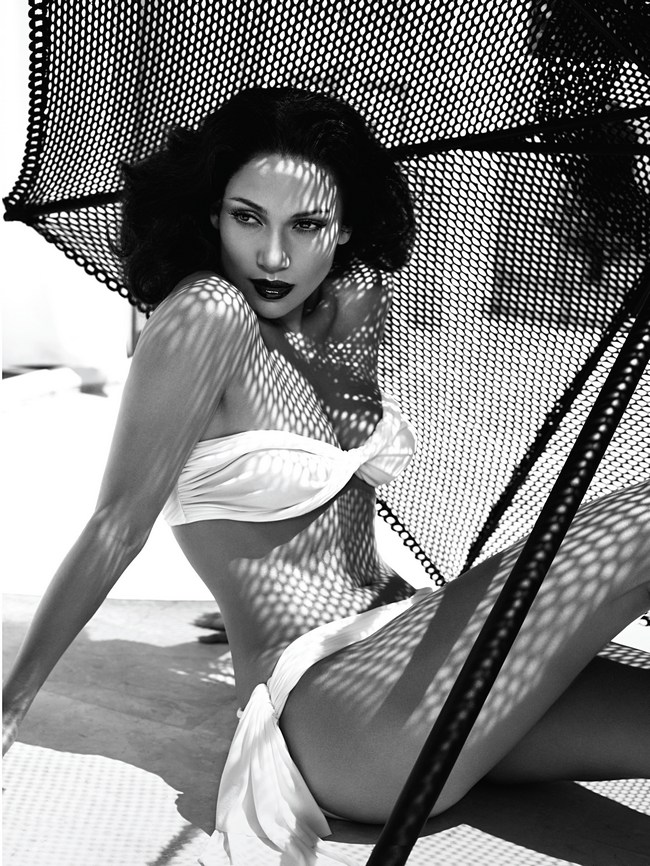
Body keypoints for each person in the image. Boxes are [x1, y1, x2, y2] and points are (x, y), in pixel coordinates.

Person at [3, 87, 649, 865]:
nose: (273, 257)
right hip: (330, 702)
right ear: (212, 215)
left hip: (410, 651)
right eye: (248, 218)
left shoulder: (348, 313)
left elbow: (320, 512)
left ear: (344, 228)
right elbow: (118, 525)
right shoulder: (210, 313)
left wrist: (238, 589)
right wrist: (10, 706)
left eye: (306, 225)